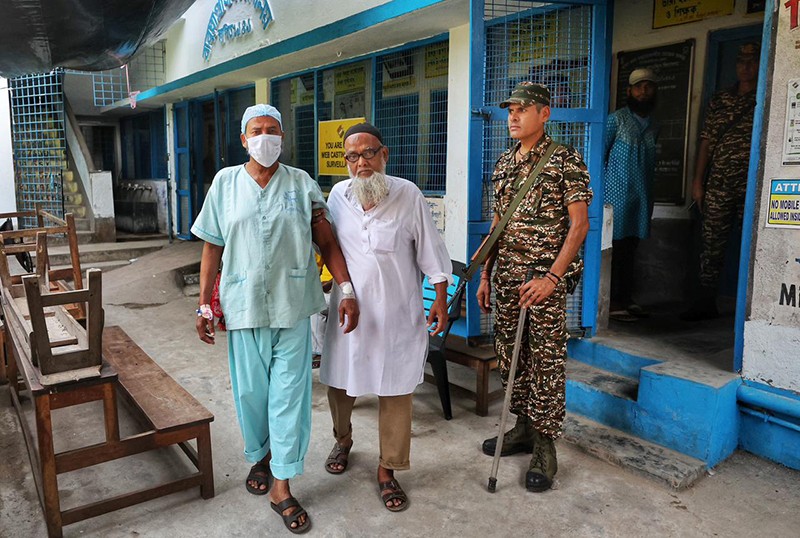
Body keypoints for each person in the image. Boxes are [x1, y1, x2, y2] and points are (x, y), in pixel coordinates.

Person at [192, 104, 359, 534]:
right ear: (244, 139)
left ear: (282, 138)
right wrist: (204, 303)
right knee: (252, 394)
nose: (265, 138)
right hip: (243, 304)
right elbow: (211, 246)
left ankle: (281, 483)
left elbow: (327, 242)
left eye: (272, 130)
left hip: (292, 306)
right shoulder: (225, 183)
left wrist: (348, 289)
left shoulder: (302, 184)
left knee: (289, 396)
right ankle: (261, 457)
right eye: (256, 131)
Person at [319, 122, 452, 512]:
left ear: (384, 154)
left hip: (396, 315)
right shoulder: (338, 195)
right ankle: (342, 439)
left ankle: (387, 469)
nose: (361, 163)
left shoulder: (407, 195)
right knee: (340, 385)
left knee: (395, 391)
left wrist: (440, 300)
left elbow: (433, 252)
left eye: (369, 153)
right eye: (352, 156)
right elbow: (331, 250)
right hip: (349, 314)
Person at [477, 82, 592, 492]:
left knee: (544, 364)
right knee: (510, 358)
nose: (513, 116)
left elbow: (579, 226)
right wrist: (487, 274)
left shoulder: (565, 161)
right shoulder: (504, 164)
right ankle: (523, 427)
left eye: (523, 109)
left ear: (545, 114)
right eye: (510, 109)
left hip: (543, 282)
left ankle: (545, 446)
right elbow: (498, 223)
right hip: (507, 278)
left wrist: (552, 278)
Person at [682, 43, 760, 321]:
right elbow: (706, 142)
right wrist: (697, 181)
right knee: (711, 242)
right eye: (741, 60)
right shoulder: (721, 99)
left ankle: (753, 307)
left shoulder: (766, 95)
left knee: (755, 243)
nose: (746, 66)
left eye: (752, 61)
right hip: (720, 183)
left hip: (755, 185)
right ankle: (704, 301)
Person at [603, 68, 659, 322]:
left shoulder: (655, 124)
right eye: (638, 86)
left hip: (640, 197)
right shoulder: (616, 120)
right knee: (613, 249)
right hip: (613, 198)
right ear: (629, 91)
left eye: (648, 86)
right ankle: (612, 302)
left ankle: (626, 299)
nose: (643, 91)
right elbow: (599, 156)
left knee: (630, 250)